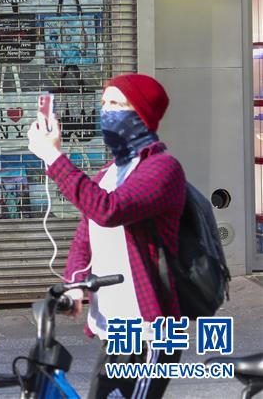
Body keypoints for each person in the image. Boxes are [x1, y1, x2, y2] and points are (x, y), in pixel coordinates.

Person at [27, 73, 187, 399]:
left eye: (116, 103)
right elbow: (85, 237)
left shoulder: (163, 169)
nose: (106, 111)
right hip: (114, 328)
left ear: (141, 113)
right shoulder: (109, 172)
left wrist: (54, 157)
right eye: (103, 103)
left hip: (148, 331)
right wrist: (75, 286)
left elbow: (108, 210)